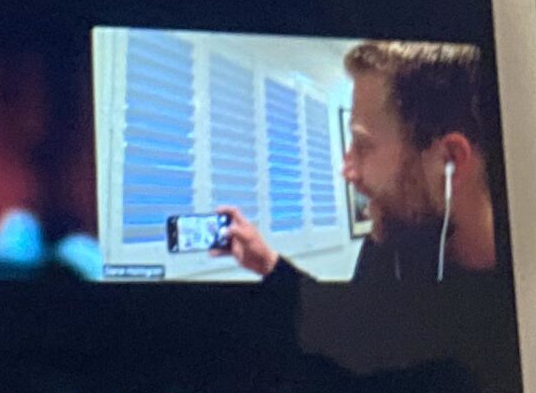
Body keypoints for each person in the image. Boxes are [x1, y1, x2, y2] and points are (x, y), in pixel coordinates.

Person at [216, 41, 504, 285]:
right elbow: (344, 327)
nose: (347, 170)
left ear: (450, 158)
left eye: (363, 145)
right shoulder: (388, 249)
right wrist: (268, 263)